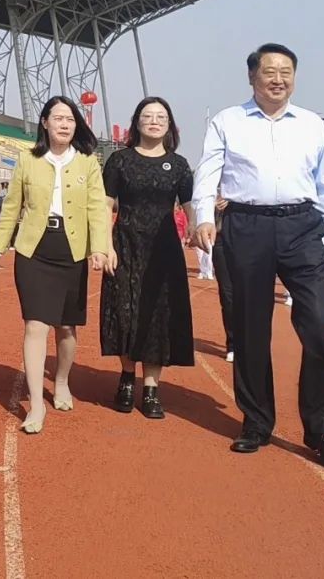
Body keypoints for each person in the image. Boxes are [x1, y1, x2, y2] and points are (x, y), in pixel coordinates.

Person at [192, 43, 324, 471]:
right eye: (269, 71)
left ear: (294, 77)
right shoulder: (228, 121)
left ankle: (321, 431)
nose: (278, 79)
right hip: (247, 225)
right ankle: (257, 422)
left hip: (302, 227)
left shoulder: (312, 124)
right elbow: (208, 171)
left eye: (286, 71)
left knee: (319, 327)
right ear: (252, 77)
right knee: (249, 328)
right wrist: (203, 216)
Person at [0, 96, 108, 434]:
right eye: (58, 118)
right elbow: (12, 206)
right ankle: (37, 404)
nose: (65, 124)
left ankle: (62, 381)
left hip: (71, 250)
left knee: (66, 328)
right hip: (34, 251)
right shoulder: (28, 159)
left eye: (70, 119)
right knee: (35, 325)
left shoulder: (87, 163)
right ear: (45, 122)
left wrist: (99, 247)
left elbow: (97, 208)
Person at [100, 97, 194, 419]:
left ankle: (152, 389)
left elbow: (189, 206)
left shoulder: (179, 165)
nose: (154, 121)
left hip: (164, 250)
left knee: (158, 316)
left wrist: (196, 227)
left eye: (160, 117)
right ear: (136, 122)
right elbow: (105, 204)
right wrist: (106, 245)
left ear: (169, 125)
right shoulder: (119, 161)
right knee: (125, 310)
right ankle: (127, 379)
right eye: (147, 116)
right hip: (125, 244)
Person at [211, 195, 235, 362]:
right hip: (221, 240)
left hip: (248, 239)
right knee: (227, 296)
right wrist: (211, 204)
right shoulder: (212, 185)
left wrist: (235, 200)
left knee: (249, 294)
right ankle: (233, 344)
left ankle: (250, 341)